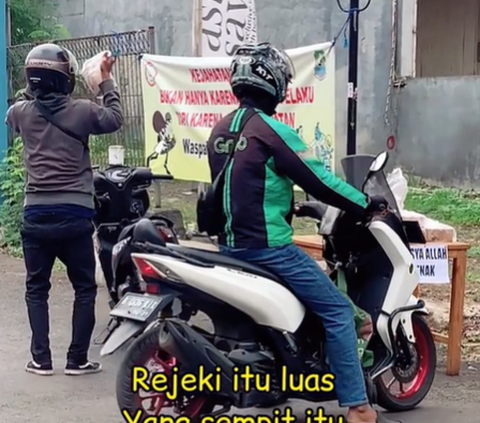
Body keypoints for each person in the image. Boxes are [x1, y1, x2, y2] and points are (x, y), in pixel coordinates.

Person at [206, 42, 383, 423]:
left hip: (227, 248)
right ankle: (357, 406)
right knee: (338, 311)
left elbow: (245, 186)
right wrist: (367, 205)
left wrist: (292, 206)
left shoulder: (220, 130)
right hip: (268, 250)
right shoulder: (271, 132)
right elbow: (320, 182)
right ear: (274, 83)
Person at [5, 43, 123, 376]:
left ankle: (40, 359)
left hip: (35, 216)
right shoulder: (83, 111)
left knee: (36, 288)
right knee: (84, 287)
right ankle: (77, 359)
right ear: (65, 80)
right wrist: (104, 82)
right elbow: (114, 118)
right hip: (75, 215)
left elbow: (16, 108)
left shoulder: (20, 114)